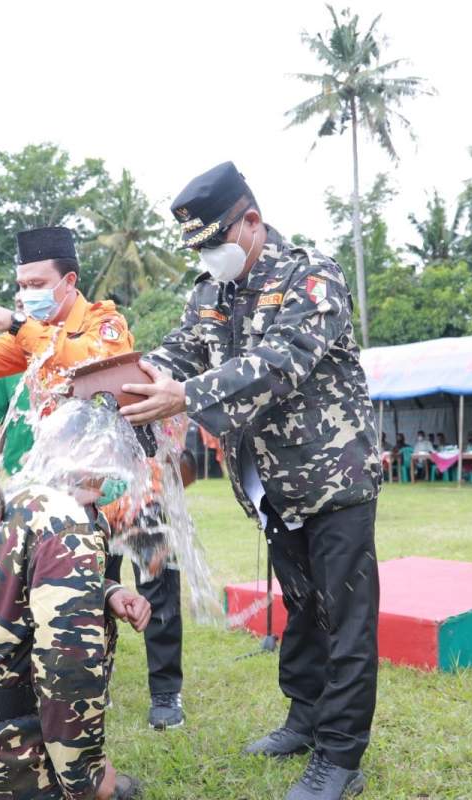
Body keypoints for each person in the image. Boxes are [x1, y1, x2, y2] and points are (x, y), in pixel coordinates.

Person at [120, 161, 381, 799]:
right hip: (271, 486)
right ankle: (305, 718)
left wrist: (184, 396)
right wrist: (137, 375)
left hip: (333, 476)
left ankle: (340, 756)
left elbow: (281, 362)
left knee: (346, 616)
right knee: (302, 608)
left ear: (252, 223)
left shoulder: (310, 276)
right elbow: (183, 346)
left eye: (213, 244)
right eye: (199, 250)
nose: (209, 259)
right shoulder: (212, 292)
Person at [0, 226, 187, 731]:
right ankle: (88, 686)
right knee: (88, 586)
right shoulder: (33, 338)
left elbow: (87, 363)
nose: (26, 294)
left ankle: (166, 691)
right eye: (20, 286)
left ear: (70, 281)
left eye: (37, 283)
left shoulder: (105, 322)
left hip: (129, 482)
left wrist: (16, 321)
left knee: (156, 583)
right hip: (74, 490)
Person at [0, 400, 151, 800]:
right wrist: (86, 778)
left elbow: (6, 590)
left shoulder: (11, 499)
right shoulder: (67, 523)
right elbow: (68, 673)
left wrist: (105, 591)